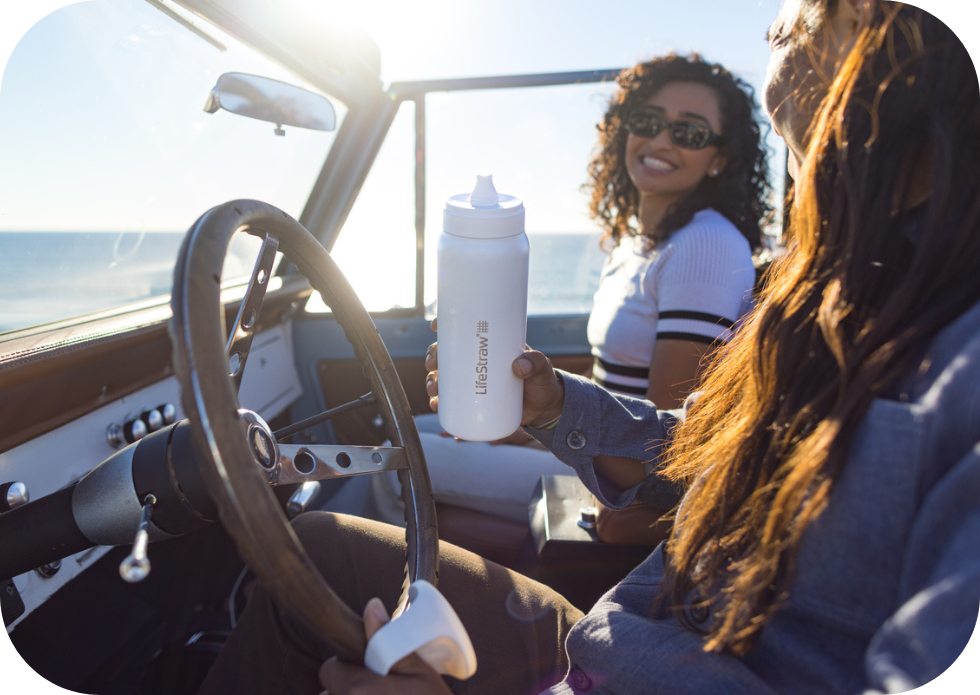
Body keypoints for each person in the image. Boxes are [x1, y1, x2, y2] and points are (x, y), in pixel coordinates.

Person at [198, 1, 980, 693]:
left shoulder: (949, 359)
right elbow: (701, 454)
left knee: (402, 464)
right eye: (647, 119)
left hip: (639, 654)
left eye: (691, 131)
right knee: (324, 546)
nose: (776, 22)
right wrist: (557, 408)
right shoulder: (836, 293)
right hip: (630, 636)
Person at [373, 53, 770, 527]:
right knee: (412, 431)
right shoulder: (639, 243)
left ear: (720, 158)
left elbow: (665, 436)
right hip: (595, 440)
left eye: (689, 132)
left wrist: (546, 429)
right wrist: (531, 420)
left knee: (390, 463)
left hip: (619, 474)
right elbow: (609, 375)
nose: (662, 140)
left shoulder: (707, 243)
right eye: (648, 121)